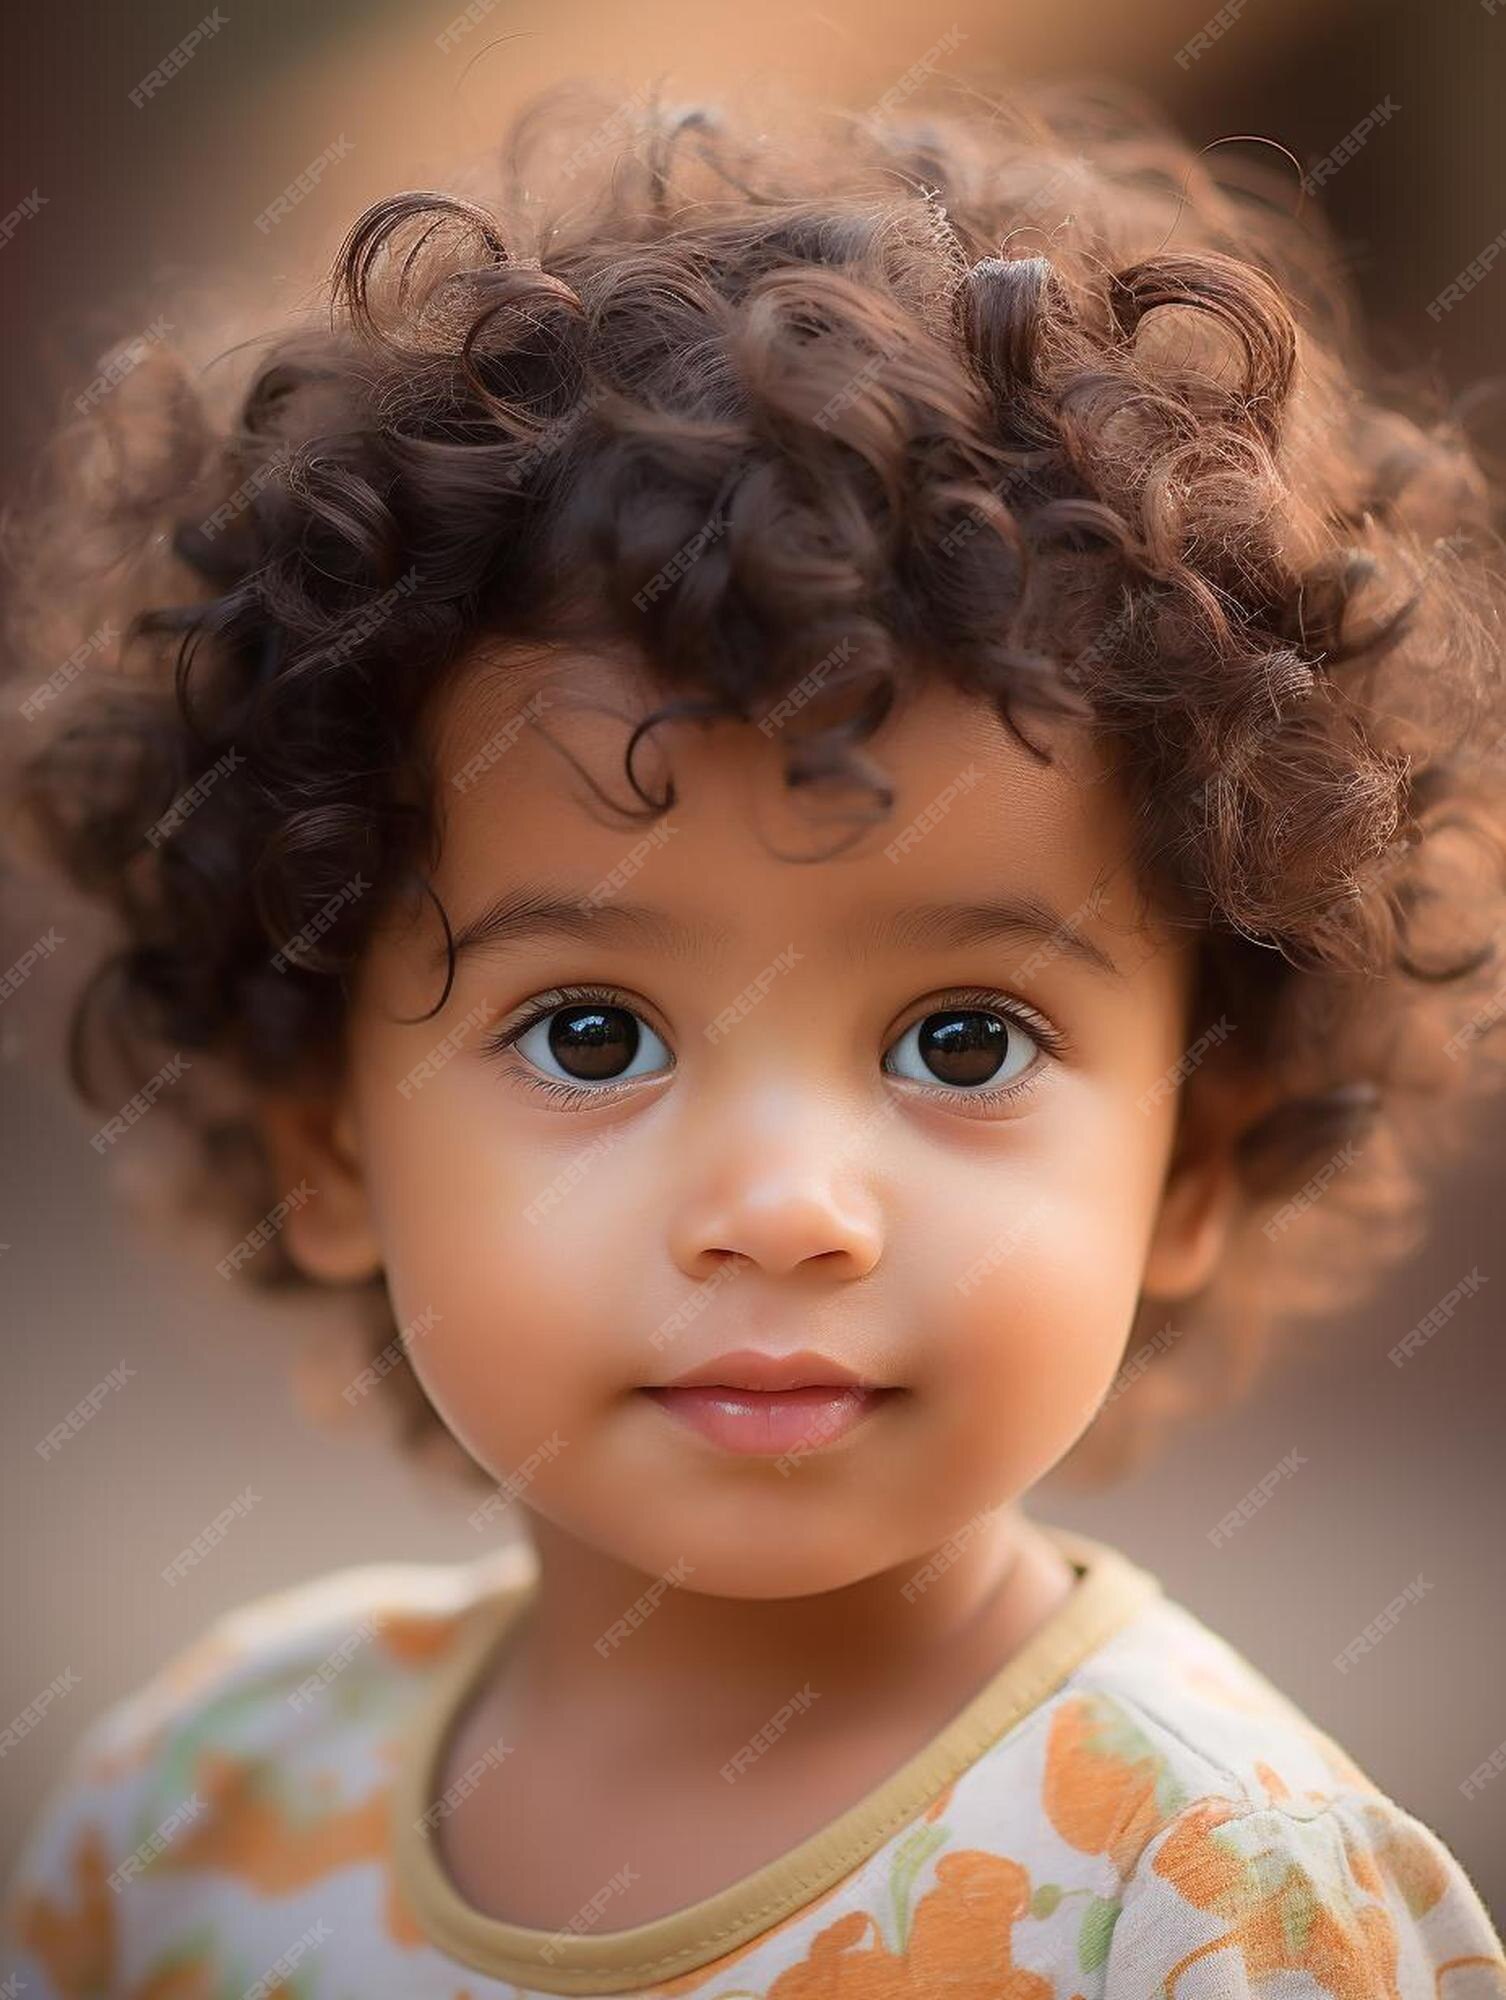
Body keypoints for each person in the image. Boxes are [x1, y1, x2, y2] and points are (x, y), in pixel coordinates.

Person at [3, 70, 1505, 1997]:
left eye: (963, 1042)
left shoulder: (1207, 1902)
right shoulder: (195, 1818)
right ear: (329, 1146)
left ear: (1194, 1161)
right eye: (593, 1035)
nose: (785, 1210)